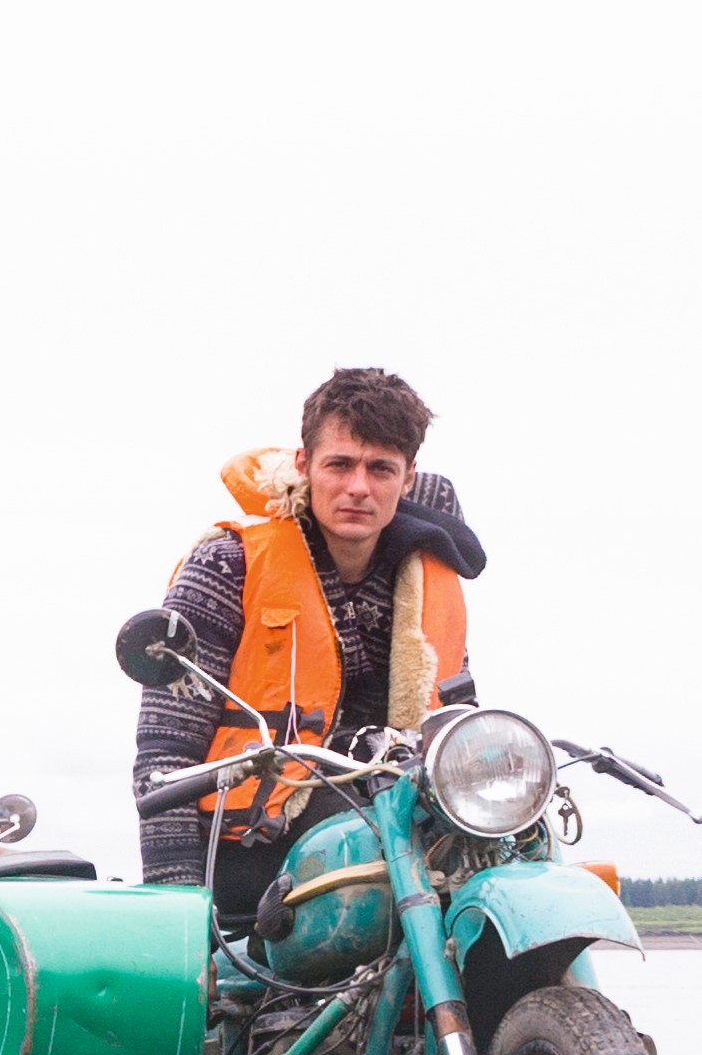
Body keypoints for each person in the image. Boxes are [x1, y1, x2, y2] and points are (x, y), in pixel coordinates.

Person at [130, 366, 490, 918]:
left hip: (400, 833)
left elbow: (459, 728)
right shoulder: (228, 566)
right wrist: (177, 911)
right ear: (304, 463)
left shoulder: (429, 579)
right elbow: (163, 756)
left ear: (409, 477)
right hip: (248, 847)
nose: (358, 488)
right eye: (340, 465)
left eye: (381, 469)